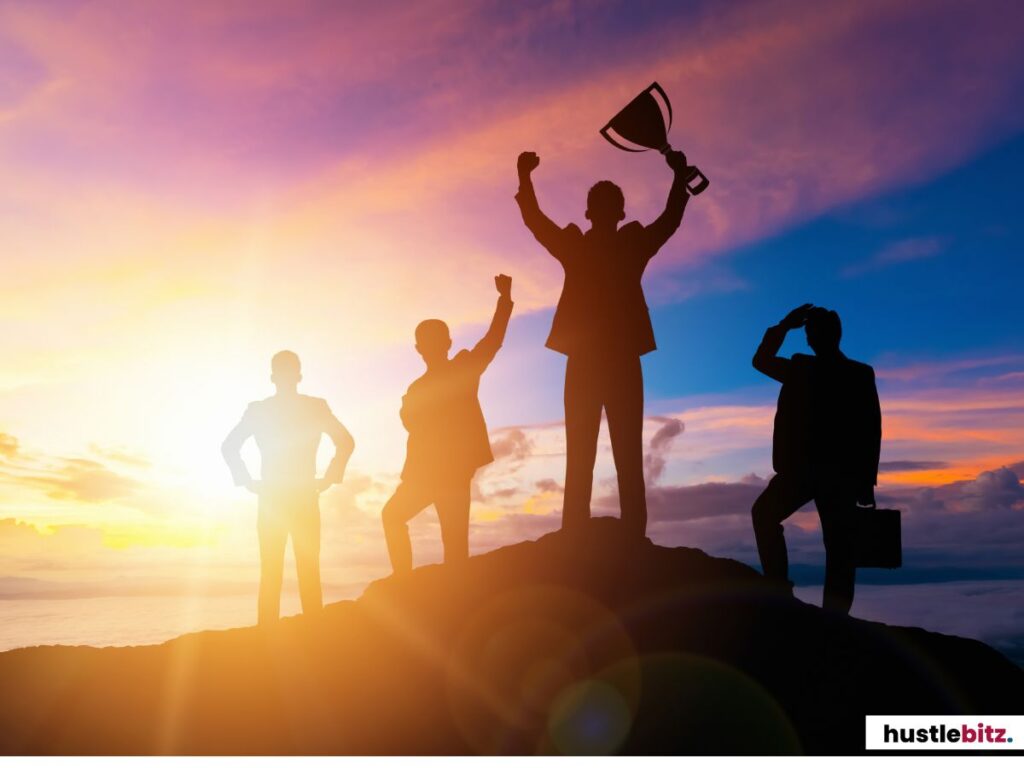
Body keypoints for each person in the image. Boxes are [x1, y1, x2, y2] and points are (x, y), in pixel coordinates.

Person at [514, 149, 696, 537]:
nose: (604, 210)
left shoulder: (623, 245)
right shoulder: (589, 246)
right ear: (597, 211)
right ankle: (586, 533)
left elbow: (669, 221)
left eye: (608, 204)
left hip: (610, 360)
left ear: (614, 212)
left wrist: (680, 181)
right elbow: (536, 222)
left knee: (618, 451)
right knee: (589, 452)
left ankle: (622, 534)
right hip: (593, 359)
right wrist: (524, 179)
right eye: (602, 203)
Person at [751, 304, 881, 614]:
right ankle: (834, 616)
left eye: (811, 333)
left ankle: (780, 589)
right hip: (835, 474)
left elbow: (761, 361)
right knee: (839, 549)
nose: (810, 339)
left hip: (807, 471)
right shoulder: (857, 373)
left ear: (816, 337)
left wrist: (784, 326)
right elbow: (871, 430)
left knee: (767, 517)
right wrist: (866, 483)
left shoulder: (801, 368)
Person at [382, 275, 514, 573]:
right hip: (427, 472)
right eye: (427, 342)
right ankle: (404, 582)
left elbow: (492, 341)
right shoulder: (417, 388)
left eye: (433, 341)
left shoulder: (462, 369)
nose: (429, 347)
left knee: (452, 545)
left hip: (451, 471)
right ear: (420, 348)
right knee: (396, 517)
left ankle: (415, 585)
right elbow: (412, 425)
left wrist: (504, 301)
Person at [222, 351, 354, 624]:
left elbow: (229, 446)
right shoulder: (315, 407)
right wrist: (329, 477)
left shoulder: (259, 410)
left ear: (273, 377)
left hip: (272, 499)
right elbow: (346, 442)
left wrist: (247, 481)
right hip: (303, 496)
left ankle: (266, 639)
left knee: (271, 572)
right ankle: (313, 634)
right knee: (308, 571)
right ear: (299, 376)